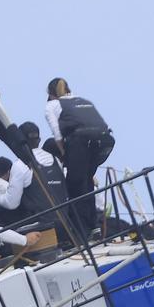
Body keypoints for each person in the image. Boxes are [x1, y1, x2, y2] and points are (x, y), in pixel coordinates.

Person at [45, 78, 114, 239]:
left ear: (50, 94)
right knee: (87, 182)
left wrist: (64, 154)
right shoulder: (83, 100)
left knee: (75, 185)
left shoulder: (52, 105)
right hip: (104, 141)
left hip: (80, 142)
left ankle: (82, 231)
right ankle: (94, 226)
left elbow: (57, 135)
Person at [8, 122, 71, 236]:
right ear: (39, 139)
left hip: (41, 227)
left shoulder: (21, 164)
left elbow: (12, 203)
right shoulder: (56, 161)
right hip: (63, 224)